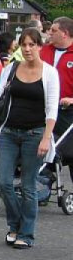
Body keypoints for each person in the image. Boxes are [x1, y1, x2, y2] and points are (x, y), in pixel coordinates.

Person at [0, 28, 59, 249]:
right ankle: (15, 224)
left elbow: (51, 110)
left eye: (32, 45)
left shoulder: (50, 73)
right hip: (10, 132)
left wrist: (46, 138)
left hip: (35, 134)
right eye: (24, 45)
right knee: (3, 181)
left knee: (28, 186)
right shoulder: (11, 68)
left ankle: (26, 234)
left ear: (40, 46)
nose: (28, 49)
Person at [40, 17, 73, 176]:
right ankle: (43, 186)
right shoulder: (44, 51)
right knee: (46, 149)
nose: (49, 33)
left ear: (65, 33)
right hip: (45, 110)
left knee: (70, 152)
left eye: (53, 30)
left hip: (68, 112)